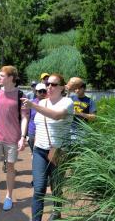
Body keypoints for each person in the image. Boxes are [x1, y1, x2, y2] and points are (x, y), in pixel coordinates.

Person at [21, 73, 74, 221]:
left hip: (59, 151)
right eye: (48, 84)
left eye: (54, 84)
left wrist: (33, 105)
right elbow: (38, 126)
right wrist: (31, 143)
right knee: (39, 189)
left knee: (56, 187)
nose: (49, 87)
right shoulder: (41, 103)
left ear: (62, 88)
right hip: (40, 151)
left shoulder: (67, 102)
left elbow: (56, 116)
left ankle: (56, 213)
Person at [0, 65, 29, 211]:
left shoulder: (20, 95)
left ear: (11, 78)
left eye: (2, 76)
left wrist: (23, 137)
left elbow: (24, 117)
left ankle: (8, 196)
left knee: (10, 167)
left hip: (12, 138)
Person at [68, 78, 96, 142]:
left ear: (84, 89)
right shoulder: (70, 98)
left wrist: (79, 113)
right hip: (69, 128)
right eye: (75, 89)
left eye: (79, 88)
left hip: (82, 130)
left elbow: (94, 117)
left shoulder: (90, 101)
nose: (77, 91)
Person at [27, 83, 47, 153]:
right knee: (34, 152)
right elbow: (27, 118)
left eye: (44, 91)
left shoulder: (49, 103)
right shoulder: (31, 103)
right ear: (36, 92)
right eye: (40, 91)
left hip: (44, 133)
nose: (42, 93)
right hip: (32, 131)